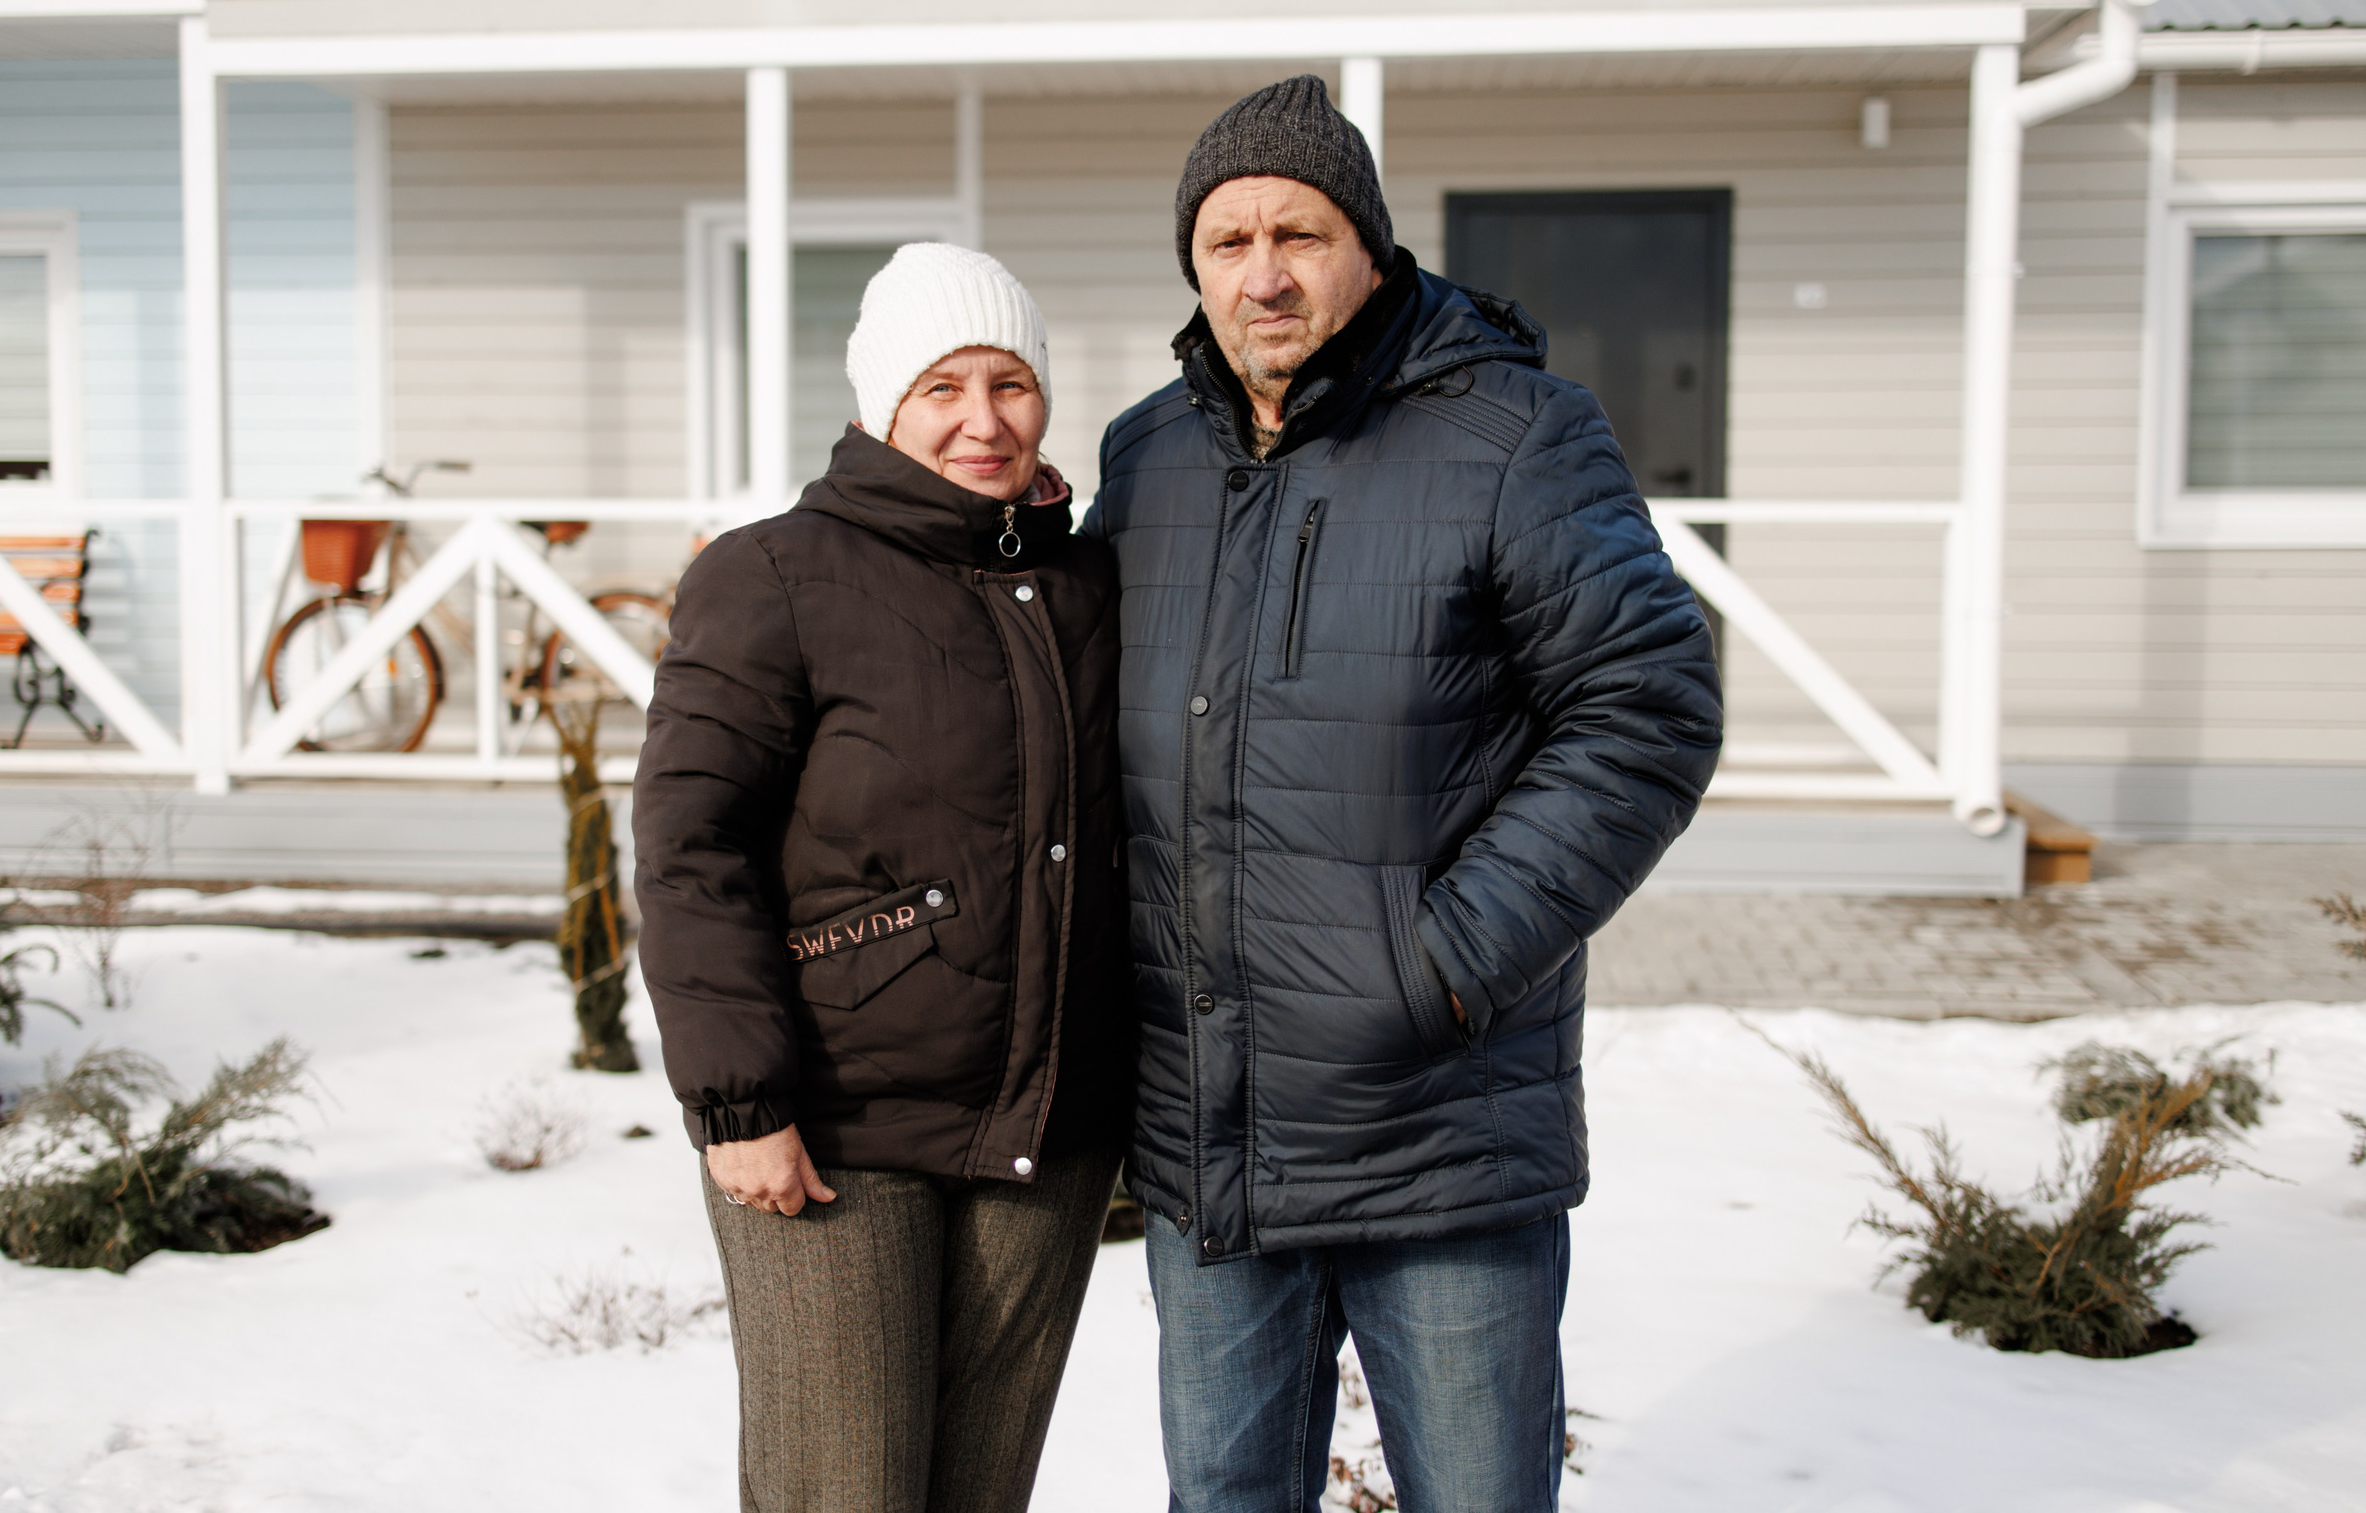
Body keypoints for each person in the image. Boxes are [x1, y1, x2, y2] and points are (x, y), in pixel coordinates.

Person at [1082, 75, 1723, 1512]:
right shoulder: (1148, 456)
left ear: (1367, 246)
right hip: (1214, 1131)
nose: (1263, 275)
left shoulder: (1517, 435)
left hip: (1436, 1129)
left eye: (1297, 234)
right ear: (1193, 264)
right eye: (1227, 241)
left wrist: (1438, 965)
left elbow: (1647, 707)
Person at [634, 243, 1131, 1513]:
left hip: (1045, 1132)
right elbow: (693, 847)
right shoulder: (773, 575)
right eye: (941, 388)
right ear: (878, 410)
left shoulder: (1088, 580)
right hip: (836, 1130)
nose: (983, 421)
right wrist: (738, 1102)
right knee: (842, 1493)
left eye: (1010, 383)